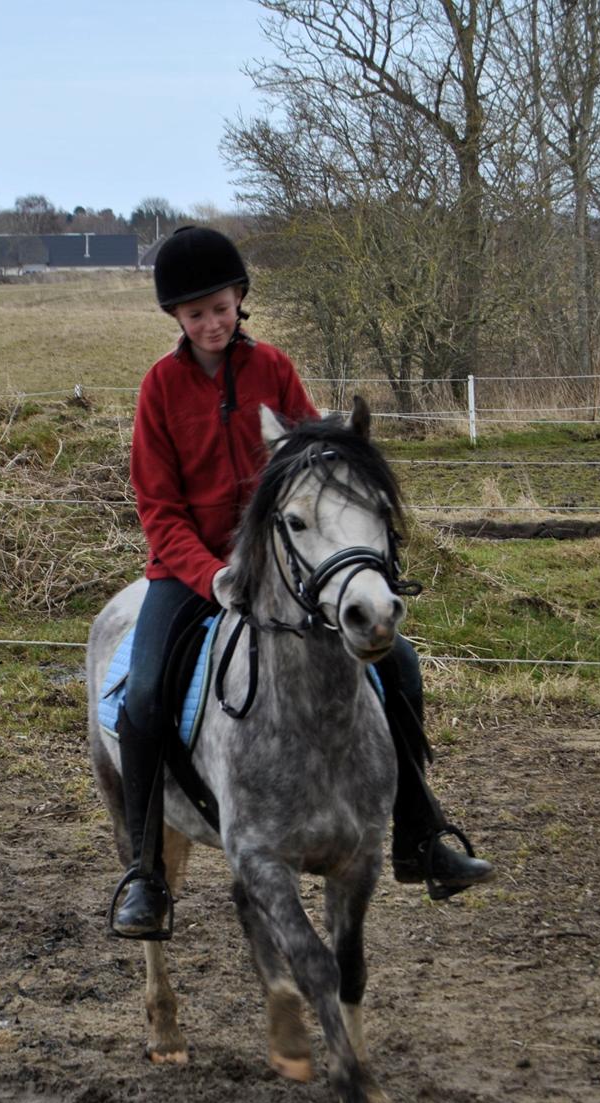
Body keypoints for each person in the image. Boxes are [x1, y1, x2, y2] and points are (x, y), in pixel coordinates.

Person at [110, 225, 493, 938]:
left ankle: (419, 837)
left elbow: (315, 466)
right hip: (191, 571)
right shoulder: (159, 388)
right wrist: (212, 574)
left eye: (219, 307)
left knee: (399, 663)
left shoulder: (275, 369)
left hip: (286, 565)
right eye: (195, 314)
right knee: (144, 693)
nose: (211, 323)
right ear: (176, 320)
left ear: (239, 299)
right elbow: (156, 509)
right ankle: (144, 873)